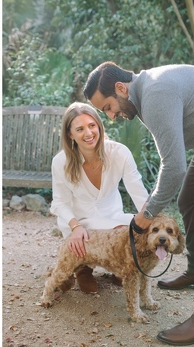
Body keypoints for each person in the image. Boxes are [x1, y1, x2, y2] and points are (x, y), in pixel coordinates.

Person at [83, 61, 194, 345]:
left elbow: (174, 168)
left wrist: (148, 214)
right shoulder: (145, 92)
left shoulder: (155, 94)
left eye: (107, 107)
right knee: (187, 200)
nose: (111, 116)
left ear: (121, 88)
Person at [50, 102, 149, 293]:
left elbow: (138, 191)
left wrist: (149, 220)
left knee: (132, 228)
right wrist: (75, 227)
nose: (88, 133)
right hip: (79, 220)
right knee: (86, 234)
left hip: (112, 214)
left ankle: (120, 267)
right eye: (80, 129)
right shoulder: (61, 161)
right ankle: (82, 268)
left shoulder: (119, 153)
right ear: (70, 134)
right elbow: (59, 201)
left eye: (92, 125)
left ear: (99, 126)